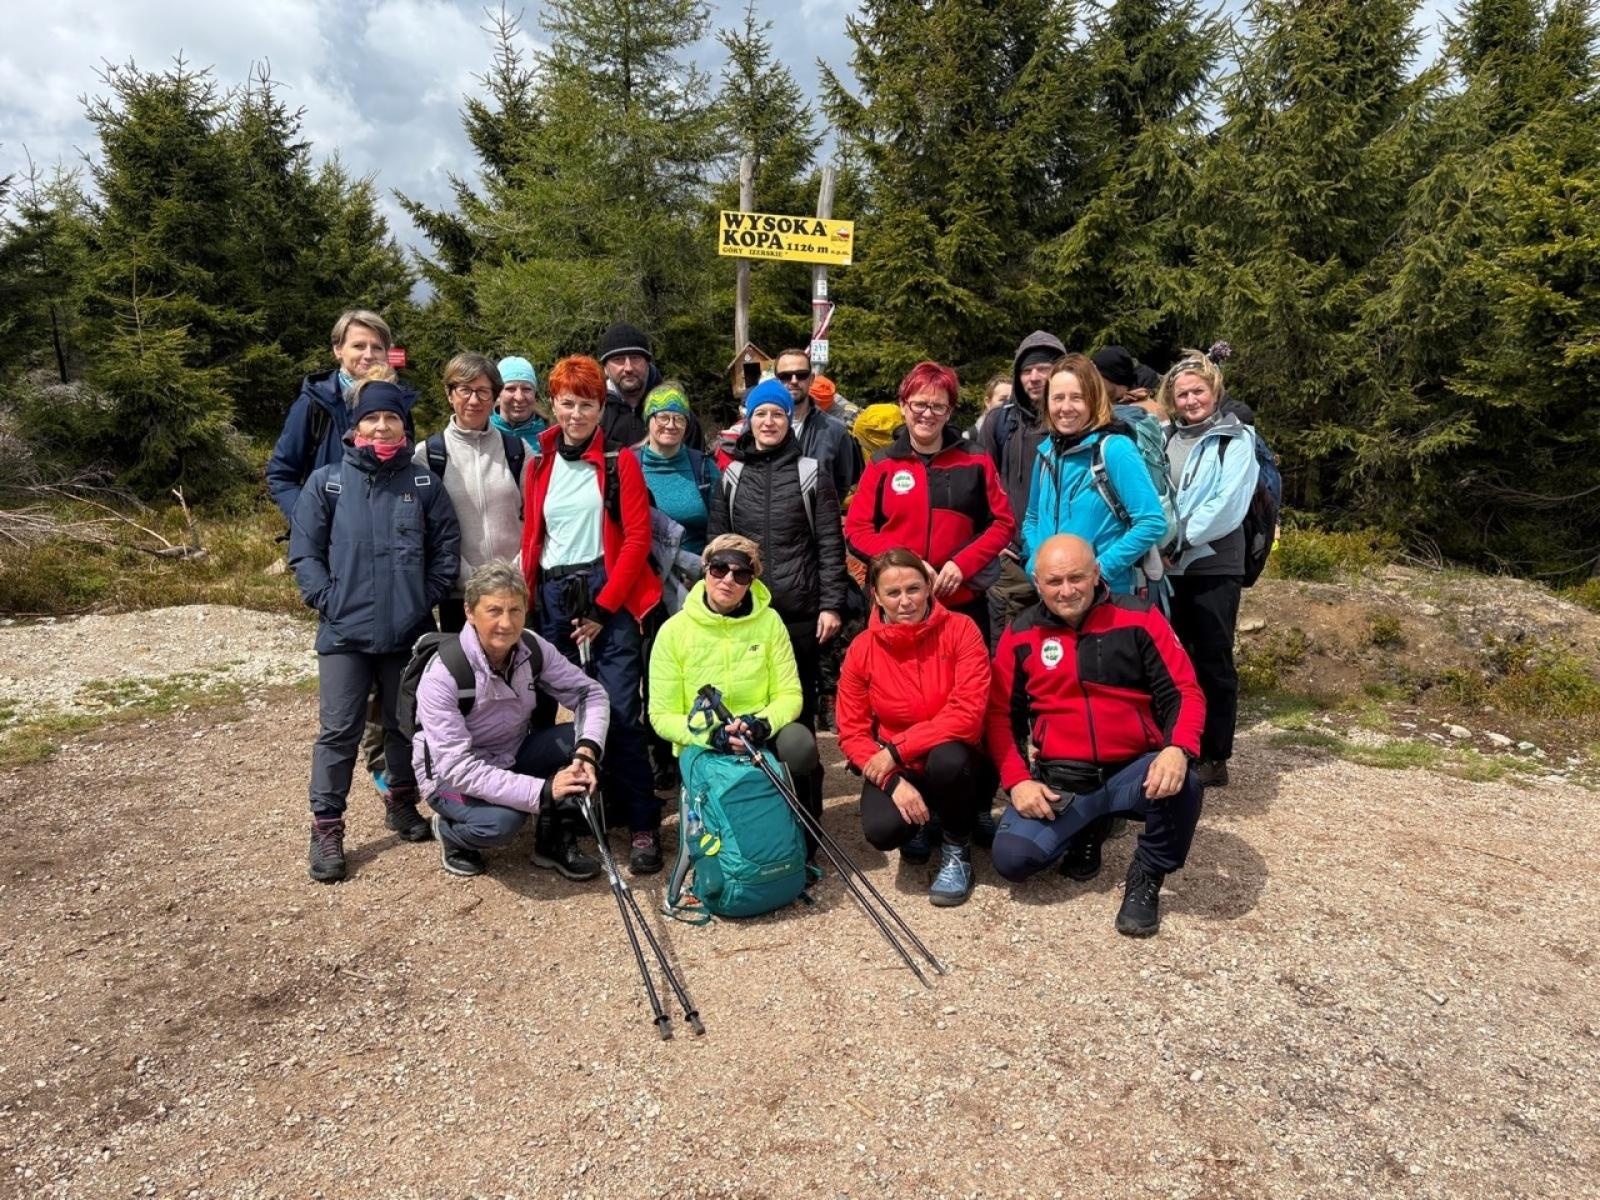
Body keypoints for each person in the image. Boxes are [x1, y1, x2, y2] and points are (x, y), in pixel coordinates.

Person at [986, 535, 1205, 937]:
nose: (1066, 590)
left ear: (1097, 574)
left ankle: (1147, 873)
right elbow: (999, 717)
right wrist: (1017, 782)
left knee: (1184, 782)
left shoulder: (1141, 617)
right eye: (1054, 582)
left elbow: (1186, 692)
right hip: (1064, 776)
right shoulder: (1020, 634)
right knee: (1014, 861)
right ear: (1037, 582)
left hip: (1133, 769)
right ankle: (1088, 826)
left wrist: (1177, 748)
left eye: (1076, 578)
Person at [290, 379, 461, 883]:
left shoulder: (424, 484)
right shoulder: (328, 483)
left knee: (403, 724)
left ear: (404, 428)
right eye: (373, 418)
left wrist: (421, 600)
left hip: (406, 631)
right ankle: (327, 826)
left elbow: (445, 551)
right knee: (339, 731)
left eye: (392, 419)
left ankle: (401, 801)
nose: (383, 426)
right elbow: (305, 553)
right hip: (343, 632)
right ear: (356, 425)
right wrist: (327, 600)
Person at [520, 355, 665, 873]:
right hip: (553, 596)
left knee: (619, 709)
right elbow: (534, 537)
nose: (576, 414)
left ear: (601, 408)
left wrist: (604, 609)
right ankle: (562, 817)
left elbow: (639, 539)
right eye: (567, 403)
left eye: (587, 404)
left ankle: (642, 822)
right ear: (552, 405)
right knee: (550, 711)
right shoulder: (537, 462)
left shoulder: (618, 461)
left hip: (608, 589)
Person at [412, 560, 608, 879]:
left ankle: (552, 842)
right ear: (469, 612)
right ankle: (452, 834)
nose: (506, 623)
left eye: (515, 610)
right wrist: (543, 791)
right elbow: (457, 768)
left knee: (587, 739)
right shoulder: (443, 675)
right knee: (502, 823)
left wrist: (586, 751)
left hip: (511, 752)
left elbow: (590, 694)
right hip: (448, 779)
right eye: (494, 611)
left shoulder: (531, 646)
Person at [707, 378, 847, 822]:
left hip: (798, 613)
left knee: (797, 716)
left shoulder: (810, 472)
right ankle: (761, 813)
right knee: (746, 710)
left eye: (778, 414)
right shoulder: (732, 474)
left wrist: (832, 603)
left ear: (791, 420)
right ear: (748, 418)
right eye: (761, 413)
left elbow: (829, 542)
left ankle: (807, 817)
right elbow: (716, 545)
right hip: (745, 615)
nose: (769, 421)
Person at [835, 550, 996, 906]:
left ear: (929, 588)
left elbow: (967, 713)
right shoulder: (862, 648)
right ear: (876, 596)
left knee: (948, 758)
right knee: (882, 831)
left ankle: (956, 847)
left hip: (957, 757)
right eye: (893, 593)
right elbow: (851, 730)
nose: (905, 601)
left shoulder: (962, 629)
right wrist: (892, 782)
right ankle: (925, 818)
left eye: (914, 589)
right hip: (900, 767)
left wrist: (895, 751)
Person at [648, 534, 820, 852]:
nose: (728, 579)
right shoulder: (673, 631)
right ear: (705, 570)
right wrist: (712, 735)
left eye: (741, 574)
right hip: (704, 740)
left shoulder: (770, 622)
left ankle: (802, 844)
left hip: (757, 730)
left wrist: (762, 723)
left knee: (799, 744)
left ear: (751, 582)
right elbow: (661, 716)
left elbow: (790, 694)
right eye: (719, 569)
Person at [845, 360, 1014, 641]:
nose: (928, 414)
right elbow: (857, 530)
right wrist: (908, 563)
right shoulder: (882, 464)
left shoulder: (976, 459)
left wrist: (963, 564)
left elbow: (1003, 522)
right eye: (919, 404)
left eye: (938, 406)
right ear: (903, 405)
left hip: (960, 602)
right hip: (898, 605)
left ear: (949, 412)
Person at [1159, 349, 1260, 789]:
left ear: (1214, 391)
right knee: (1171, 659)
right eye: (1181, 394)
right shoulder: (1162, 437)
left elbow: (1228, 504)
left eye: (1197, 391)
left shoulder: (1236, 440)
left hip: (1214, 564)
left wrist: (1178, 539)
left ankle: (1215, 755)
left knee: (1213, 659)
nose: (1190, 400)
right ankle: (1176, 744)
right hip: (1167, 567)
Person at [1021, 354, 1167, 596]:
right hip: (1054, 596)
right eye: (1057, 398)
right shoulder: (1046, 452)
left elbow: (1151, 521)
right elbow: (1033, 518)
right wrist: (1035, 565)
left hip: (1107, 595)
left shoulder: (1115, 449)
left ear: (1093, 400)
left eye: (1076, 397)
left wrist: (1098, 571)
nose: (1065, 407)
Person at [636, 380, 720, 790]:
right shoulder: (629, 464)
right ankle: (659, 753)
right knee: (656, 669)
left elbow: (721, 522)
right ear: (648, 421)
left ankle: (697, 744)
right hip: (646, 583)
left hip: (698, 580)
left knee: (697, 666)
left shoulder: (703, 467)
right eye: (661, 417)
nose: (669, 425)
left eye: (678, 418)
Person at [268, 309, 415, 521]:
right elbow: (281, 474)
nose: (369, 355)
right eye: (358, 346)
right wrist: (308, 523)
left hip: (388, 534)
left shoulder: (400, 405)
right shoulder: (314, 403)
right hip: (329, 540)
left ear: (386, 354)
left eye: (377, 347)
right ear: (338, 349)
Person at [415, 353, 525, 634]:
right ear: (449, 394)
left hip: (514, 592)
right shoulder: (428, 456)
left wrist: (513, 576)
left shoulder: (519, 452)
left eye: (483, 391)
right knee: (465, 676)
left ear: (495, 398)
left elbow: (537, 519)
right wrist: (470, 580)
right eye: (464, 389)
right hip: (458, 596)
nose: (474, 400)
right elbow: (424, 529)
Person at [974, 331, 1066, 643]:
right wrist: (995, 539)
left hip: (1067, 559)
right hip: (1010, 558)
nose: (1034, 377)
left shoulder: (1076, 420)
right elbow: (982, 485)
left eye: (1043, 368)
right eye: (1026, 371)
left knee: (1061, 645)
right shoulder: (1000, 422)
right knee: (1009, 647)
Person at [596, 322, 705, 452]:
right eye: (618, 359)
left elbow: (700, 464)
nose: (628, 368)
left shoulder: (675, 409)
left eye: (635, 358)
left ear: (647, 362)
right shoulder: (595, 411)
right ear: (605, 369)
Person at [773, 347, 861, 505]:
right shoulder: (759, 428)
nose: (793, 380)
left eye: (801, 375)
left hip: (817, 525)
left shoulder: (835, 430)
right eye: (785, 376)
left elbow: (843, 483)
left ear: (811, 379)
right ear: (776, 380)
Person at [492, 355, 548, 445]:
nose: (519, 397)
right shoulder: (481, 432)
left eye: (526, 389)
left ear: (535, 394)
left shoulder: (552, 437)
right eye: (511, 389)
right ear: (497, 393)